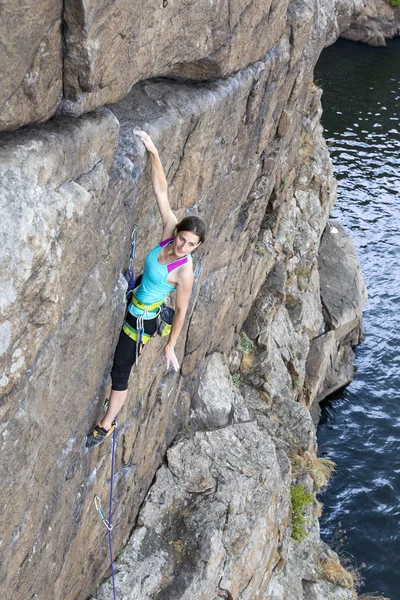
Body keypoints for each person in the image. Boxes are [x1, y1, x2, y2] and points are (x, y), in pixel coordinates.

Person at [86, 130, 205, 448]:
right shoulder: (169, 233)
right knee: (119, 364)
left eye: (191, 245)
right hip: (137, 297)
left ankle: (107, 424)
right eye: (183, 239)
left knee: (120, 369)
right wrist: (153, 151)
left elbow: (181, 310)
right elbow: (161, 191)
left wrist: (171, 345)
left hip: (143, 320)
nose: (183, 246)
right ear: (177, 231)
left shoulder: (184, 271)